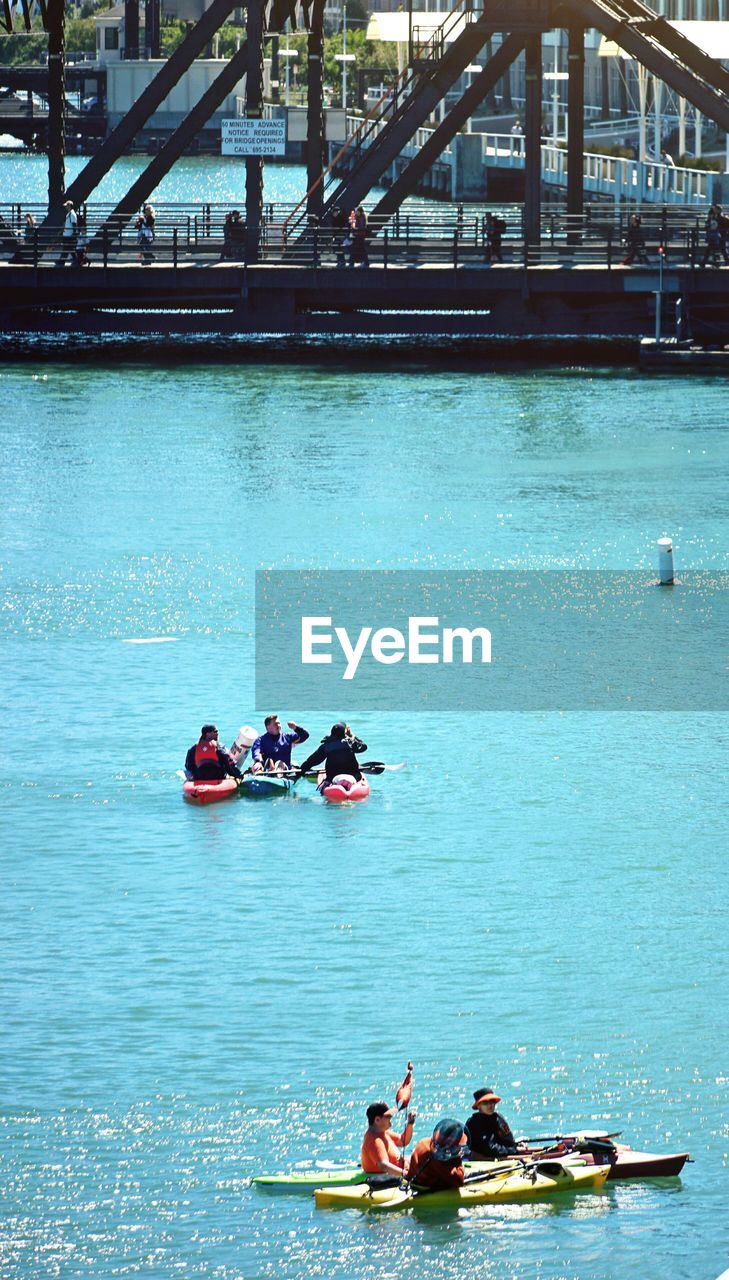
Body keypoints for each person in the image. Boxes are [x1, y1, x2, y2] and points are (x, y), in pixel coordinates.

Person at [464, 1088, 529, 1160]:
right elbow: (489, 1149)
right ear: (478, 1105)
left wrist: (516, 1145)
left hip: (503, 1154)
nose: (490, 1105)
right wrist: (513, 1149)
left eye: (492, 1101)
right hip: (484, 1159)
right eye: (485, 1102)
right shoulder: (474, 1122)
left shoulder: (498, 1118)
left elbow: (508, 1140)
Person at [297, 722, 367, 785]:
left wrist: (302, 770)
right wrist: (352, 736)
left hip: (332, 777)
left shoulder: (326, 745)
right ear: (344, 733)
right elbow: (363, 747)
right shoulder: (350, 742)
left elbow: (313, 760)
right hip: (354, 776)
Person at [407, 1119, 468, 1191]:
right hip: (424, 1188)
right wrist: (458, 1157)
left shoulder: (423, 1141)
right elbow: (459, 1182)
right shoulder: (437, 1157)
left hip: (413, 1181)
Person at [360, 1102, 416, 1178]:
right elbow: (383, 1165)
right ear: (377, 1120)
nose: (391, 1117)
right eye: (388, 1116)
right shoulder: (374, 1140)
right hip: (391, 1179)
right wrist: (406, 1174)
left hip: (404, 1169)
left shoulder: (383, 1132)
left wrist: (410, 1123)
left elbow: (403, 1141)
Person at [59, 198, 77, 265]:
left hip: (69, 234)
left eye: (66, 206)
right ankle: (62, 261)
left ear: (69, 206)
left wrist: (73, 234)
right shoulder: (69, 214)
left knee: (67, 248)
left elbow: (74, 224)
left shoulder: (72, 214)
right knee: (67, 248)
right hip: (67, 234)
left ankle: (62, 261)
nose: (65, 207)